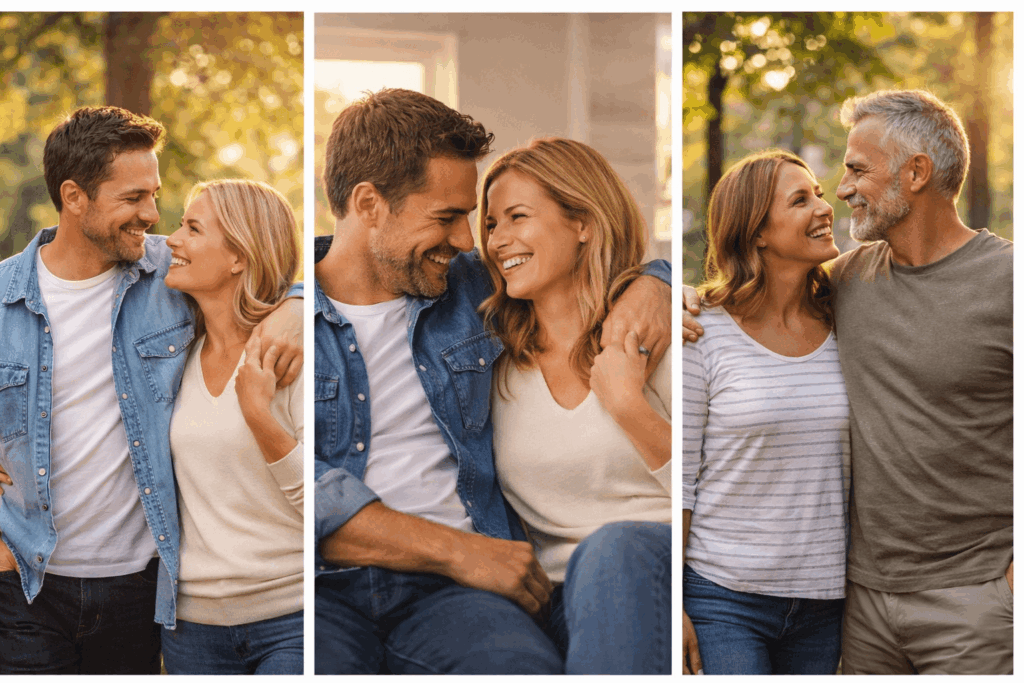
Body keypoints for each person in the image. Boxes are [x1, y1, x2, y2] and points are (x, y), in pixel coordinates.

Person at [313, 88, 671, 675]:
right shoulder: (286, 318)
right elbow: (294, 485)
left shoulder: (468, 290)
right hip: (330, 586)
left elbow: (582, 255)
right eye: (449, 217)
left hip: (456, 599)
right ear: (369, 203)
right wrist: (461, 552)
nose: (469, 242)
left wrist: (655, 281)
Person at [683, 89, 1012, 675]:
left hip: (972, 599)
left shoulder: (1007, 281)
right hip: (858, 606)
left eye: (857, 169)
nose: (840, 191)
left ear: (916, 173)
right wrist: (664, 294)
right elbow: (752, 297)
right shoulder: (846, 281)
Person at [0, 106, 301, 675]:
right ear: (74, 197)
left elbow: (269, 261)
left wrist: (295, 307)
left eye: (155, 195)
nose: (153, 215)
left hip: (142, 588)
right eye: (134, 198)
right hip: (26, 585)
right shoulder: (2, 297)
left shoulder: (168, 270)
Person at [479, 137, 672, 674]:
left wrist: (628, 403)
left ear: (583, 221)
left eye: (518, 216)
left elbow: (722, 488)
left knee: (614, 552)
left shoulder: (655, 333)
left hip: (658, 568)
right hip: (554, 604)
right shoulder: (487, 363)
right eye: (492, 224)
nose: (498, 241)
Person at [681, 149, 849, 675]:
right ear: (756, 232)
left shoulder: (848, 319)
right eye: (800, 200)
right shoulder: (700, 330)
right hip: (723, 598)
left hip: (827, 602)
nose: (823, 207)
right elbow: (679, 478)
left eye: (818, 193)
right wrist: (673, 604)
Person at [157, 180, 303, 674]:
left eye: (192, 228)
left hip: (292, 618)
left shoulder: (290, 356)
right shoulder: (174, 359)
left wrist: (259, 415)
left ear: (240, 256)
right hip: (191, 629)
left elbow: (326, 496)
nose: (171, 239)